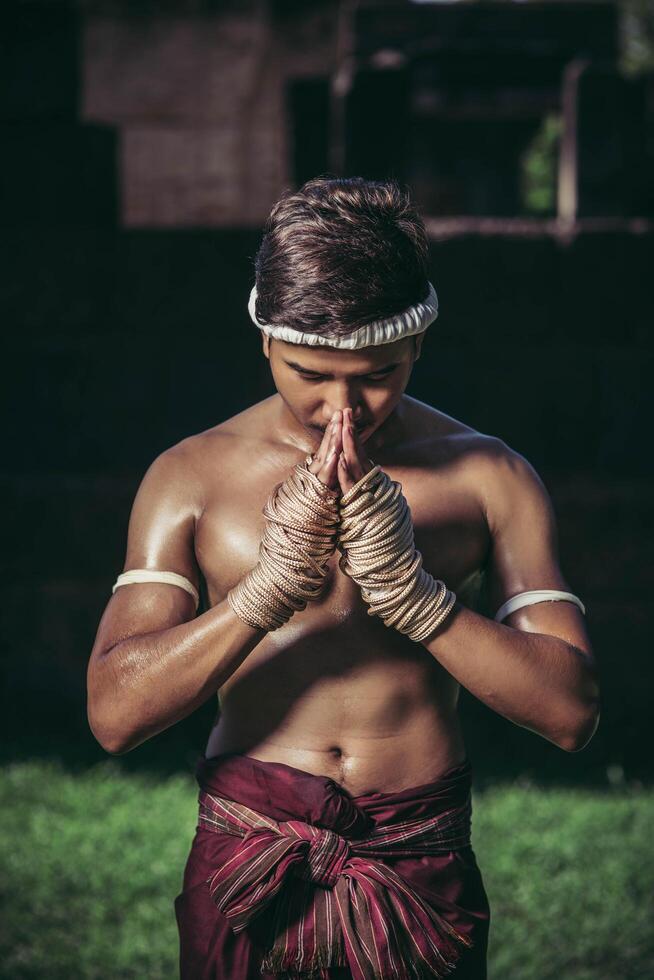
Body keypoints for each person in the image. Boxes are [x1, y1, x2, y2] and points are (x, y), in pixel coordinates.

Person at [87, 176, 600, 979]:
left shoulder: (489, 476)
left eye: (376, 373)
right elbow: (115, 715)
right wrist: (264, 592)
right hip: (252, 845)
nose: (343, 409)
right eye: (308, 373)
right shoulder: (190, 475)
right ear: (264, 341)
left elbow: (571, 715)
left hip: (417, 850)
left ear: (419, 345)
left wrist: (416, 597)